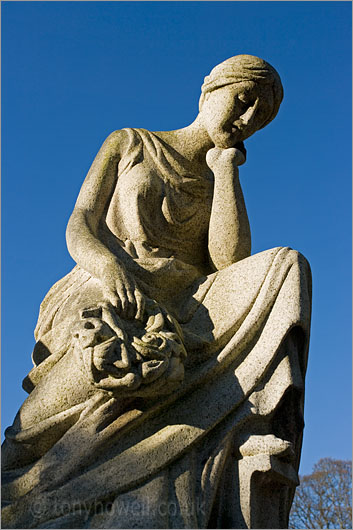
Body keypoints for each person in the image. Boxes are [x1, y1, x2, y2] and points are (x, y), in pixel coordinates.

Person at [2, 55, 312, 529]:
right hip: (107, 285)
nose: (246, 120)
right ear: (211, 89)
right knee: (53, 410)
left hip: (185, 301)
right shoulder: (130, 142)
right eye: (243, 101)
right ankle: (21, 484)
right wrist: (110, 268)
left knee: (289, 266)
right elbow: (80, 226)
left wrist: (226, 167)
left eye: (259, 120)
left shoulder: (219, 177)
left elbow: (228, 262)